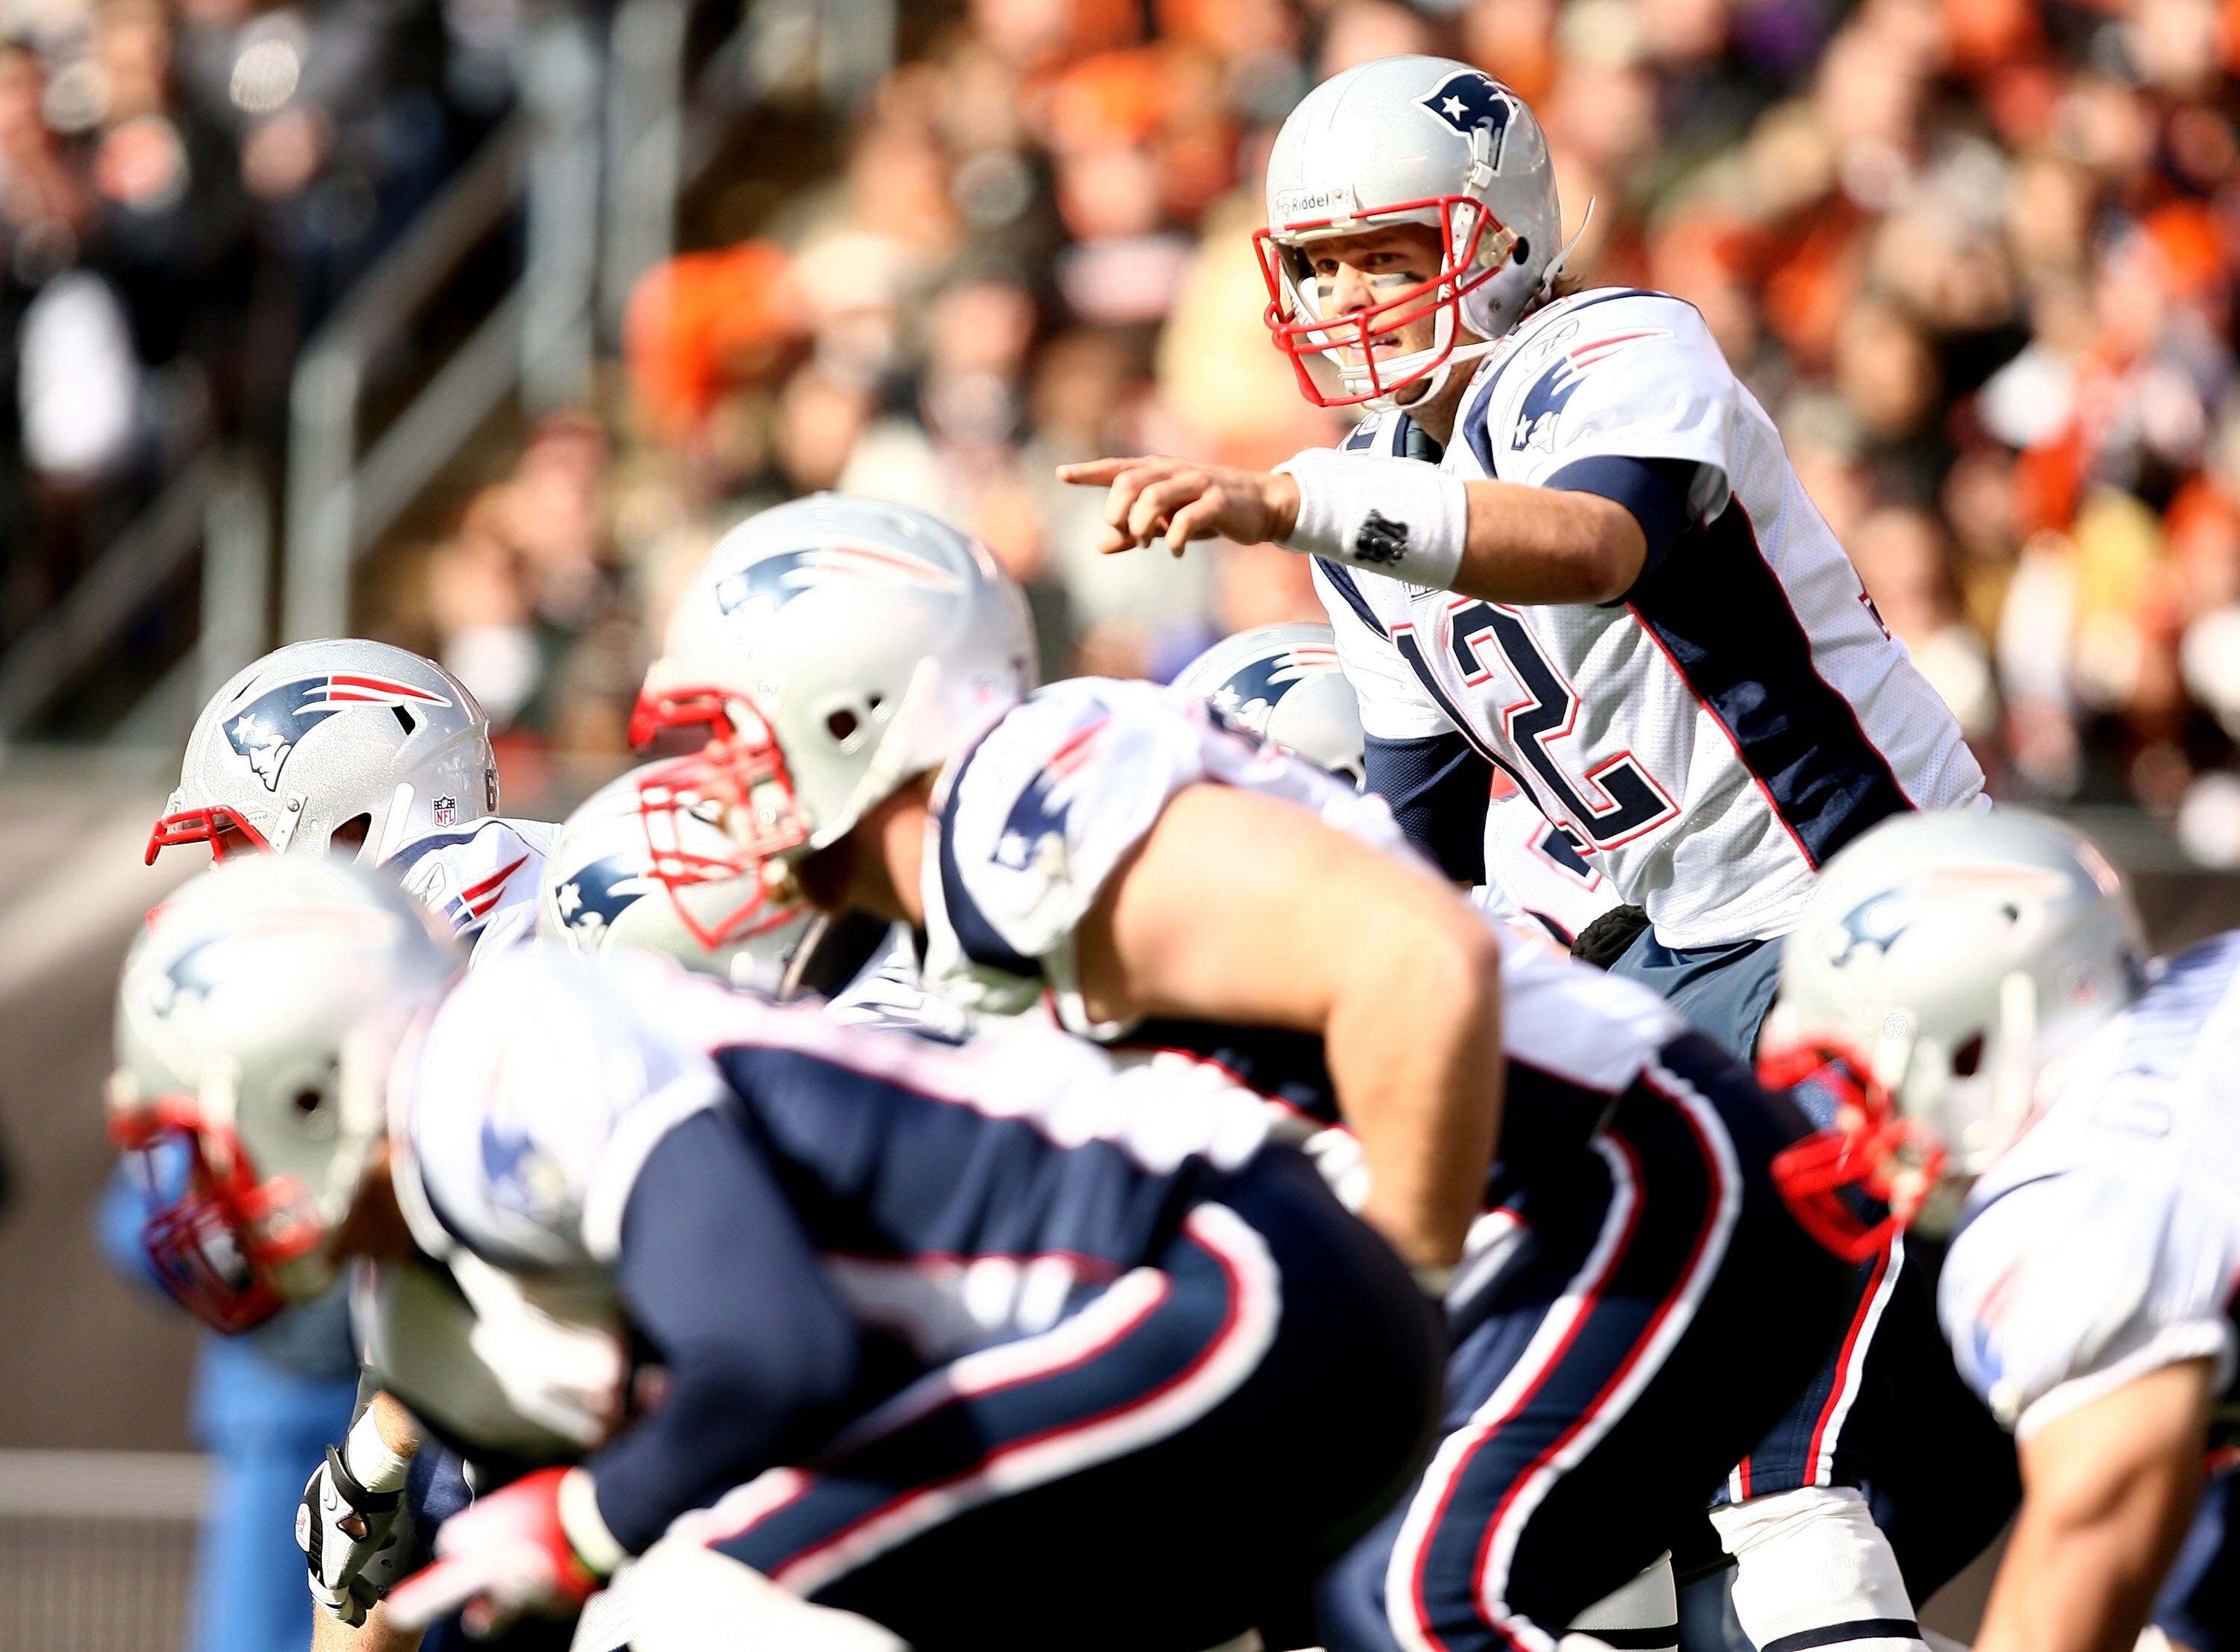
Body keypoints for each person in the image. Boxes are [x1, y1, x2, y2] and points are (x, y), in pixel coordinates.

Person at [1054, 55, 2015, 1642]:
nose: (1352, 293)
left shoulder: (1613, 349)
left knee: (1780, 1473)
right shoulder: (1370, 504)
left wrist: (1304, 506)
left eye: (1386, 248)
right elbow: (1423, 855)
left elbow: (1591, 541)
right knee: (1577, 1440)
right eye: (1321, 261)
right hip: (1688, 948)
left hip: (1875, 907)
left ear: (1495, 233)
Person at [631, 491, 1856, 1647]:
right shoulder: (965, 917)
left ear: (855, 710)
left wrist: (1391, 1321)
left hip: (1623, 1174)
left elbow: (1415, 967)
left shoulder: (1015, 802)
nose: (715, 795)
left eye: (732, 741)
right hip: (1550, 1214)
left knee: (1416, 1599)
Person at [108, 853, 1449, 1652]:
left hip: (1229, 1277)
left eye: (204, 1134)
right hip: (1153, 1347)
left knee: (688, 1621)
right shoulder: (426, 1304)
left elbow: (775, 1356)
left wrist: (575, 1524)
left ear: (309, 1080)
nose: (196, 1191)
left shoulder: (493, 1065)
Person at [143, 637, 559, 1649]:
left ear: (361, 815)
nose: (232, 897)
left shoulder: (537, 974)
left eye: (244, 848)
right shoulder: (433, 996)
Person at [1766, 808, 2239, 1652]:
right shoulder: (2208, 980)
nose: (1858, 1119)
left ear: (1977, 1039)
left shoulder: (2070, 1197)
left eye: (1864, 1074)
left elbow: (2076, 1570)